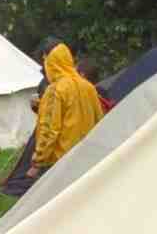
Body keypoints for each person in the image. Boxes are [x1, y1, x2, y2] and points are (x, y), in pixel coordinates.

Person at [26, 43, 104, 179]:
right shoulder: (88, 87)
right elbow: (99, 121)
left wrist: (38, 161)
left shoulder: (55, 90)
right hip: (85, 158)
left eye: (46, 60)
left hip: (60, 162)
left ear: (51, 63)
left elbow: (50, 129)